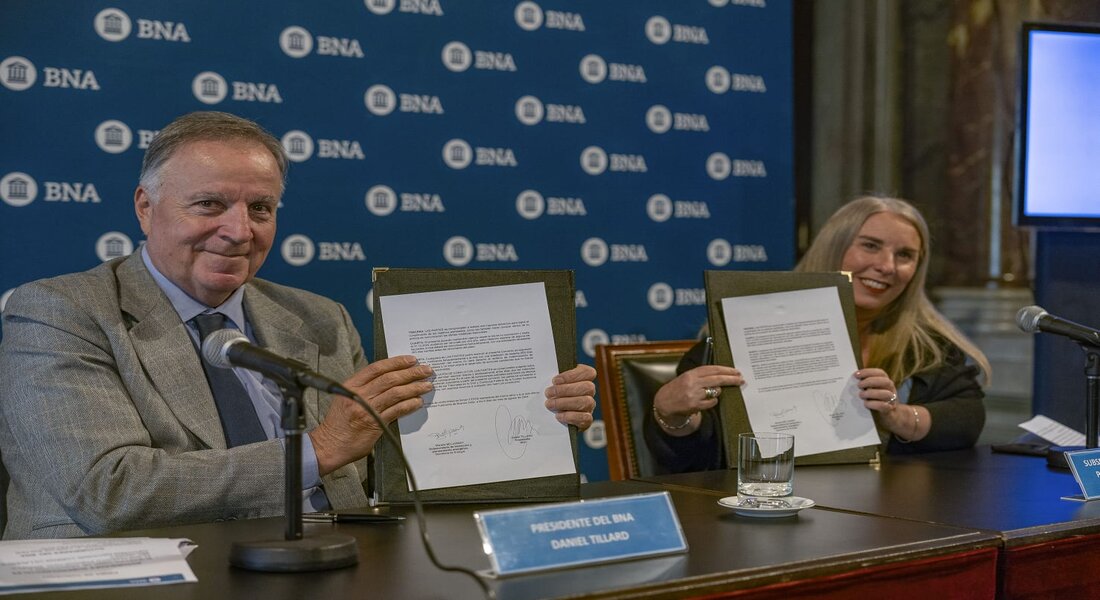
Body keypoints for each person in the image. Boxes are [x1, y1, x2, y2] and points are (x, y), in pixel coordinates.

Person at [0, 111, 596, 539]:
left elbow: (385, 466)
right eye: (209, 204)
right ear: (145, 207)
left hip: (339, 562)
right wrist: (319, 447)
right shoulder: (62, 312)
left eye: (260, 208)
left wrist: (525, 417)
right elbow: (108, 491)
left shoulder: (318, 317)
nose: (240, 230)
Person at [645, 196, 991, 473]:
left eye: (904, 255)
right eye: (870, 246)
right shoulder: (742, 330)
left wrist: (897, 416)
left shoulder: (929, 347)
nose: (887, 266)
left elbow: (966, 419)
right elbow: (694, 456)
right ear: (833, 248)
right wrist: (670, 413)